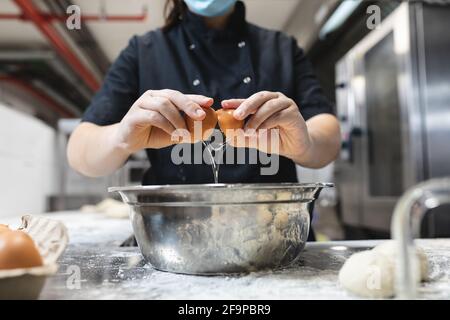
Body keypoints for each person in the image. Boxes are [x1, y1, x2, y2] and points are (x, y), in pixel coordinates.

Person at [67, 0, 340, 186]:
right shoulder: (144, 53)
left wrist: (305, 143)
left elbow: (328, 136)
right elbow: (80, 152)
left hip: (273, 233)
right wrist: (121, 139)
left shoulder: (281, 49)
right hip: (173, 240)